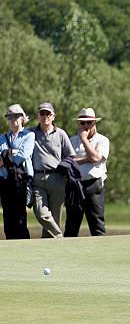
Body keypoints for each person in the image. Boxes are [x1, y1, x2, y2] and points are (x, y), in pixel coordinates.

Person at [31, 102, 76, 238]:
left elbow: (71, 155)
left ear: (53, 116)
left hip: (57, 179)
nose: (45, 116)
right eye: (42, 113)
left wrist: (64, 165)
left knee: (55, 216)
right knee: (41, 213)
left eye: (48, 113)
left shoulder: (61, 134)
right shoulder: (31, 133)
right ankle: (59, 235)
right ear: (38, 116)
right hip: (38, 179)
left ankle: (50, 246)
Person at [64, 108, 109, 237]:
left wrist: (84, 140)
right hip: (75, 185)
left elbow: (95, 158)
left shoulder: (102, 140)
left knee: (97, 225)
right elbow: (68, 162)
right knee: (71, 225)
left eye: (89, 122)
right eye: (82, 123)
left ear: (94, 122)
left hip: (93, 185)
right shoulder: (72, 140)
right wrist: (87, 159)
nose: (85, 126)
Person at [0, 104, 34, 239]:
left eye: (16, 116)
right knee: (8, 217)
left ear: (22, 118)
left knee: (20, 217)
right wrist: (12, 152)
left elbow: (23, 155)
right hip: (4, 179)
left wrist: (6, 155)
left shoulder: (29, 135)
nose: (13, 119)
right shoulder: (2, 137)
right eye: (10, 117)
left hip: (22, 180)